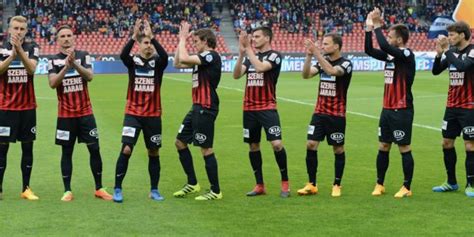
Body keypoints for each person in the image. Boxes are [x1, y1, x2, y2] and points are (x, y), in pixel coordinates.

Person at [47, 25, 112, 202]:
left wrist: (74, 63)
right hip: (65, 116)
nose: (66, 39)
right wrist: (65, 67)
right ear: (58, 40)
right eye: (62, 36)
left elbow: (90, 76)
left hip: (85, 114)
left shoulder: (83, 55)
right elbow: (52, 83)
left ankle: (99, 188)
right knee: (66, 152)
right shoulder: (53, 60)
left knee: (94, 149)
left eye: (69, 35)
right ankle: (67, 190)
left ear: (74, 38)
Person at [112, 19, 169, 203]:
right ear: (139, 44)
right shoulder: (133, 62)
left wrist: (154, 38)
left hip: (153, 116)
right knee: (127, 149)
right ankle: (118, 188)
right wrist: (133, 36)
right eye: (145, 43)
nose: (149, 46)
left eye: (150, 43)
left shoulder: (158, 63)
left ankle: (154, 189)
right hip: (133, 114)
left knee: (153, 152)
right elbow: (122, 55)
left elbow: (166, 57)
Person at [364, 8, 416, 198]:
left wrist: (378, 24)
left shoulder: (407, 54)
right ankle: (380, 184)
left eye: (391, 36)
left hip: (402, 109)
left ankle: (406, 187)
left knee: (404, 147)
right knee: (383, 146)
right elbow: (369, 50)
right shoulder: (390, 56)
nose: (388, 38)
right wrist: (368, 29)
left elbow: (385, 46)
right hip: (386, 109)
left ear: (400, 40)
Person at [233, 27, 290, 198]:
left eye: (257, 37)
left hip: (267, 108)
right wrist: (242, 53)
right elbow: (236, 75)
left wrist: (248, 49)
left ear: (267, 37)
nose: (254, 39)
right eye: (253, 37)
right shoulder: (250, 57)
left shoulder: (274, 55)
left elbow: (260, 68)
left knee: (277, 144)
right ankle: (259, 185)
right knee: (253, 145)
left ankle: (285, 183)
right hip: (249, 109)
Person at [297, 33, 353, 197]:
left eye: (326, 44)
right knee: (311, 145)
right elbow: (305, 75)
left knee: (337, 148)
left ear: (336, 46)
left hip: (336, 114)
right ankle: (312, 184)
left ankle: (337, 184)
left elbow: (332, 71)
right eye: (322, 44)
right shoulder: (322, 61)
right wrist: (309, 56)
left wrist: (316, 53)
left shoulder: (346, 64)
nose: (323, 46)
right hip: (319, 112)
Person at [173, 22, 222, 201]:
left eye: (196, 42)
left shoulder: (211, 56)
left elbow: (184, 58)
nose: (195, 44)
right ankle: (193, 183)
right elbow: (178, 62)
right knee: (179, 142)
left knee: (205, 148)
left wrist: (182, 39)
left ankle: (216, 191)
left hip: (206, 106)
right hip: (196, 107)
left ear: (206, 41)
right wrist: (181, 42)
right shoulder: (201, 58)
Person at [431, 21, 474, 197]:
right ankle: (451, 182)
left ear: (462, 35)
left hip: (469, 107)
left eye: (452, 35)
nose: (449, 38)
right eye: (448, 35)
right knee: (446, 143)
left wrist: (447, 50)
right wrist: (438, 54)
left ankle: (471, 184)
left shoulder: (472, 51)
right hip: (452, 106)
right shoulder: (453, 53)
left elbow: (463, 67)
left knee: (470, 145)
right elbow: (435, 71)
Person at [0, 16, 39, 200]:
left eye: (22, 29)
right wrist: (12, 56)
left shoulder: (32, 47)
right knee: (2, 149)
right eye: (15, 28)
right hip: (5, 108)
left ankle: (26, 188)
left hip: (27, 108)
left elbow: (32, 69)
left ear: (26, 30)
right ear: (9, 29)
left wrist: (20, 51)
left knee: (28, 148)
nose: (18, 31)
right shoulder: (1, 48)